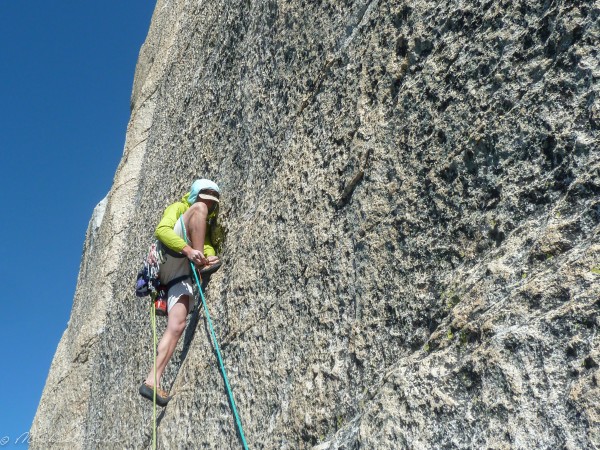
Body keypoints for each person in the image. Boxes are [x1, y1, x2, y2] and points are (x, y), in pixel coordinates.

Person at [139, 178, 221, 406]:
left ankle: (151, 381)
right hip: (169, 255)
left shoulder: (202, 225)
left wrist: (209, 254)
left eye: (212, 203)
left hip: (179, 275)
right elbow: (162, 230)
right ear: (195, 195)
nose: (209, 206)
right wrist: (189, 250)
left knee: (177, 325)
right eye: (205, 200)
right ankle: (198, 264)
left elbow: (204, 244)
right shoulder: (181, 208)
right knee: (198, 212)